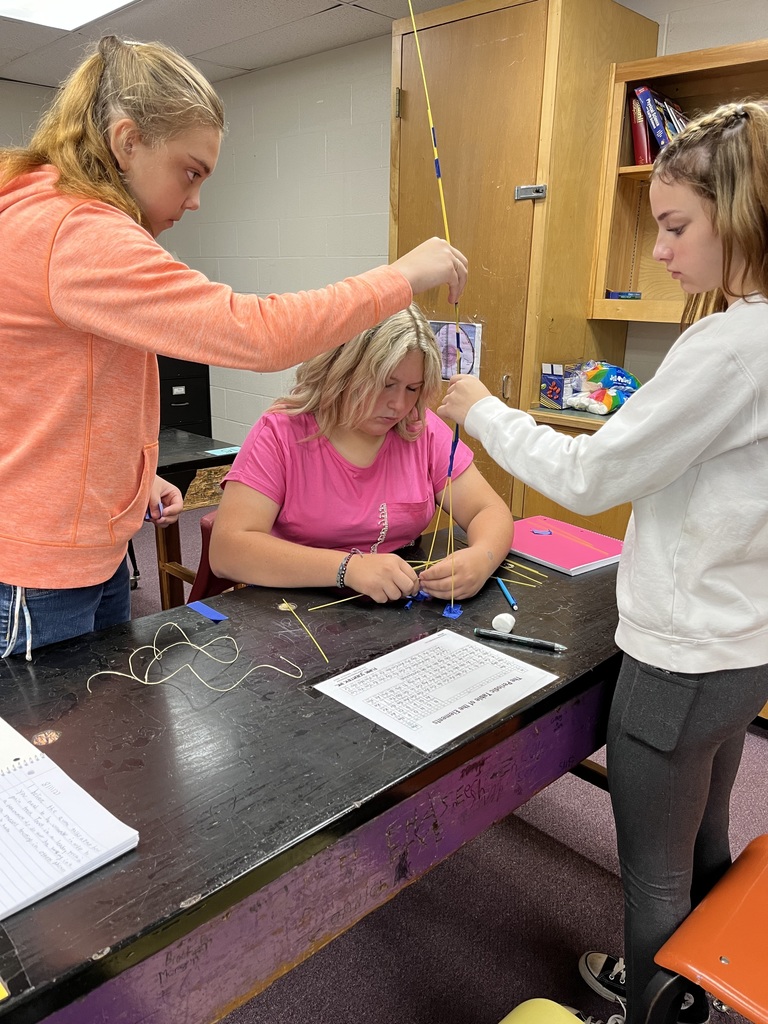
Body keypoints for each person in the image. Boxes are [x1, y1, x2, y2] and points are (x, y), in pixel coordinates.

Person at [438, 101, 768, 1024]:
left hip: (679, 662)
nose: (660, 250)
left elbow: (586, 474)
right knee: (704, 832)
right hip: (745, 650)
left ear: (741, 212)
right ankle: (690, 990)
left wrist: (478, 410)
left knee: (652, 872)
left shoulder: (732, 347)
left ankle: (652, 1010)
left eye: (675, 226)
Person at [0, 35, 468, 660]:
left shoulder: (46, 217)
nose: (194, 200)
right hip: (39, 560)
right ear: (126, 140)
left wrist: (129, 477)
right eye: (190, 172)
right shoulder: (73, 230)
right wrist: (402, 277)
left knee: (97, 727)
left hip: (84, 541)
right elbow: (257, 332)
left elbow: (52, 386)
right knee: (45, 741)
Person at [209, 304, 514, 601]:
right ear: (343, 371)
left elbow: (488, 511)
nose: (398, 405)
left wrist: (481, 558)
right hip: (296, 608)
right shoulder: (281, 432)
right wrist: (347, 568)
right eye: (385, 384)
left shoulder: (420, 429)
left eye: (412, 389)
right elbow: (227, 551)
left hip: (393, 607)